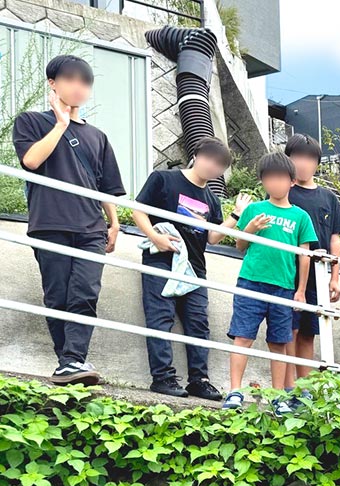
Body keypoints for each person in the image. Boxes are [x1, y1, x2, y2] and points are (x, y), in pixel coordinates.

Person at [13, 55, 125, 385]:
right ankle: (68, 361)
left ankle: (72, 360)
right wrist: (60, 124)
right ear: (53, 83)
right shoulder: (31, 121)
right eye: (71, 79)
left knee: (85, 293)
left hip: (91, 227)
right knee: (58, 296)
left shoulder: (98, 137)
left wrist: (114, 222)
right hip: (50, 223)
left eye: (85, 81)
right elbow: (31, 161)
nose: (79, 87)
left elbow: (105, 185)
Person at [132, 137, 243, 400]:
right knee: (160, 318)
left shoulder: (212, 199)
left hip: (195, 267)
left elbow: (212, 237)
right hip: (162, 259)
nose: (212, 167)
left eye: (219, 165)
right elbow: (138, 210)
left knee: (198, 324)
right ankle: (163, 377)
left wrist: (236, 215)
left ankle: (199, 380)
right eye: (209, 160)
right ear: (196, 155)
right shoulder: (163, 179)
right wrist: (155, 237)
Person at [222, 153, 318, 415]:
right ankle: (235, 391)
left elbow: (305, 256)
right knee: (243, 337)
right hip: (251, 282)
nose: (274, 183)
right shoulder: (254, 210)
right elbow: (240, 245)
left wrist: (300, 291)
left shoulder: (301, 217)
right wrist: (250, 228)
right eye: (268, 178)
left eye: (280, 177)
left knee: (279, 342)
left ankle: (278, 397)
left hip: (283, 287)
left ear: (291, 181)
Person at [282, 133, 340, 392]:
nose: (303, 163)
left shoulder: (329, 198)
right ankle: (286, 388)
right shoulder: (283, 192)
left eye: (310, 158)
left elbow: (335, 240)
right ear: (288, 159)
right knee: (289, 330)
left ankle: (303, 389)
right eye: (297, 157)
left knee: (308, 331)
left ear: (317, 163)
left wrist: (335, 277)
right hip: (288, 272)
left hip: (318, 276)